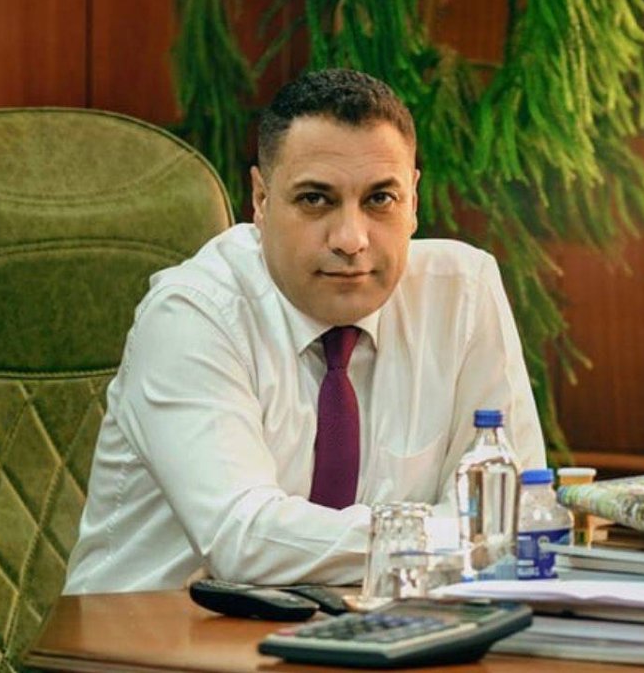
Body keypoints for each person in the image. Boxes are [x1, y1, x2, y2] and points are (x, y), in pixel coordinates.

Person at [64, 68, 545, 593]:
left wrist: (477, 534)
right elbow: (245, 538)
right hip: (148, 631)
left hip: (361, 629)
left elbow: (513, 507)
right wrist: (458, 536)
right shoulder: (191, 313)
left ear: (413, 201)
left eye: (380, 199)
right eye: (316, 199)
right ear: (261, 200)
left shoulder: (462, 294)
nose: (350, 239)